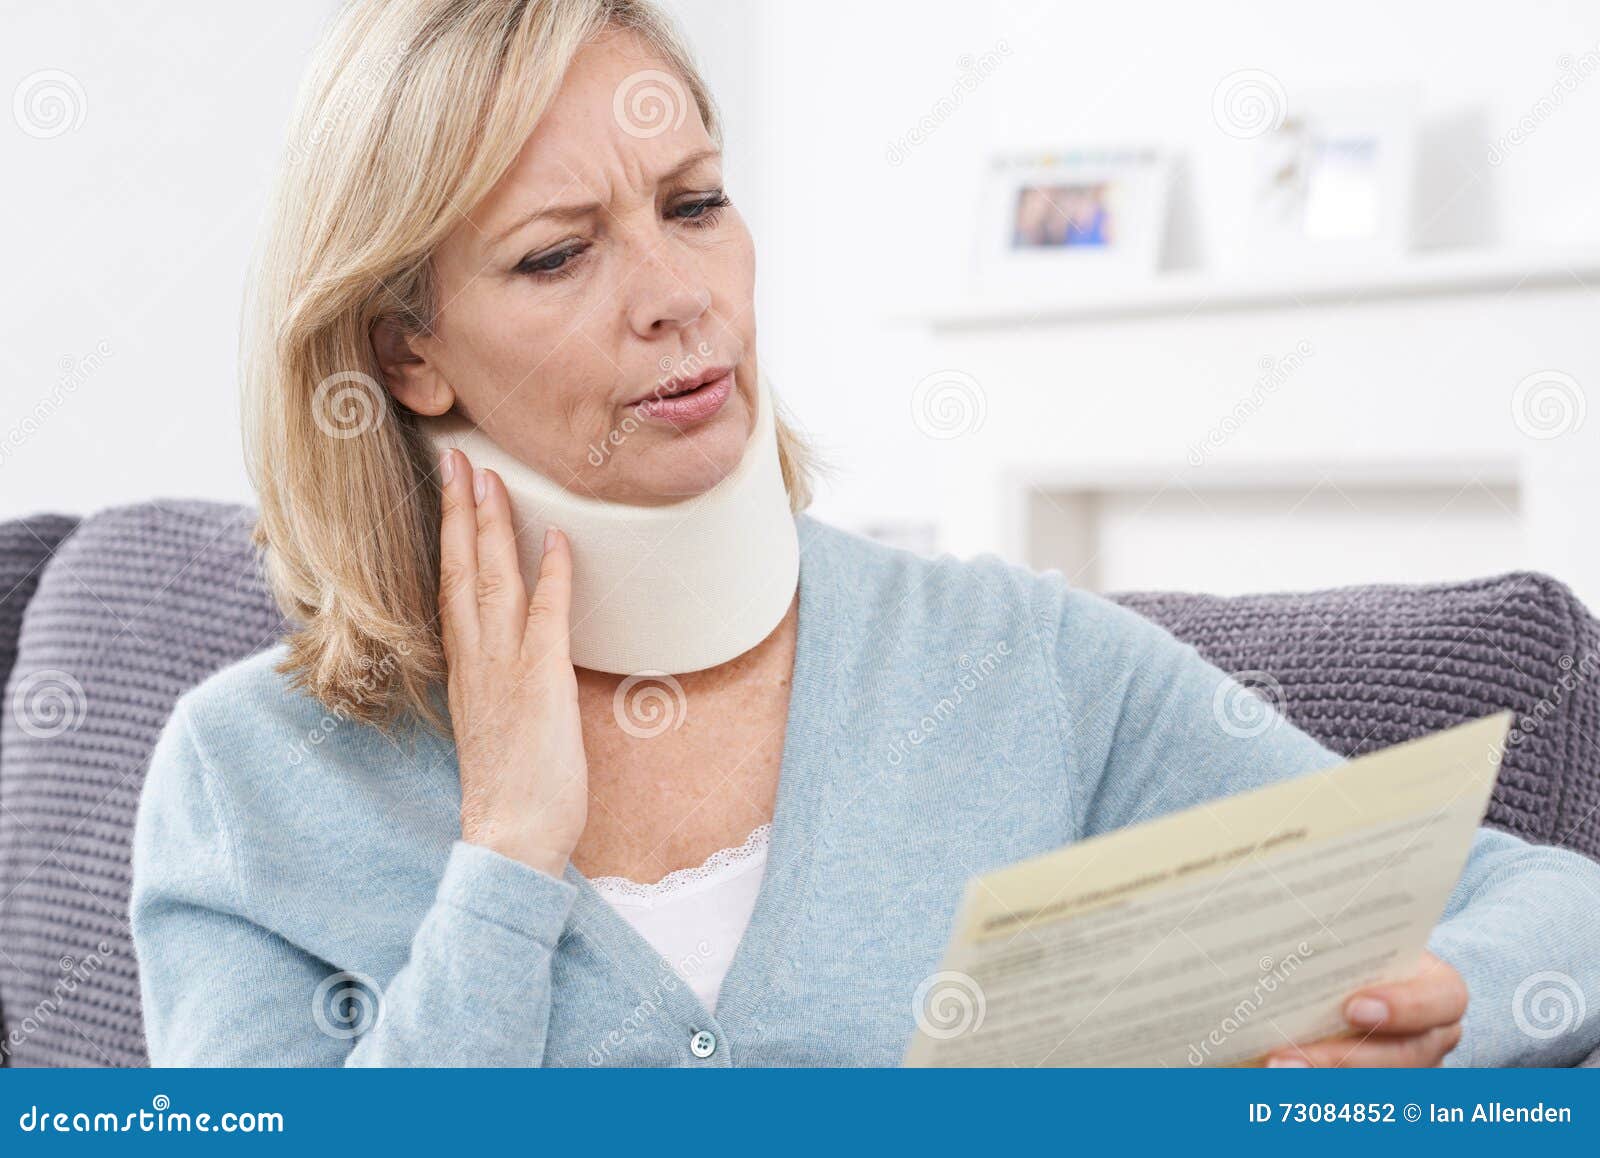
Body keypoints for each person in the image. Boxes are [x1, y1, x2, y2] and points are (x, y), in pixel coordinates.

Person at [130, 0, 1600, 1068]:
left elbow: (1553, 904)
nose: (675, 292)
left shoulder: (1014, 662)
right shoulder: (246, 778)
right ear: (407, 355)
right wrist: (508, 856)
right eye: (558, 253)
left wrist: (1447, 1007)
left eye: (695, 204)